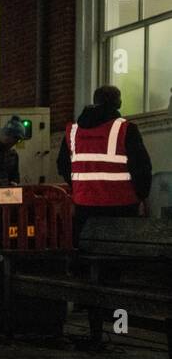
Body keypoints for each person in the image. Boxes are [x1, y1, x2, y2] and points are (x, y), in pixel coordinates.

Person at [57, 84, 152, 246]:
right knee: (120, 254)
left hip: (84, 205)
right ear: (118, 103)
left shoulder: (73, 131)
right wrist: (142, 196)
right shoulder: (125, 129)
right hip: (122, 205)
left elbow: (63, 165)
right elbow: (141, 167)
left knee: (87, 252)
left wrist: (78, 188)